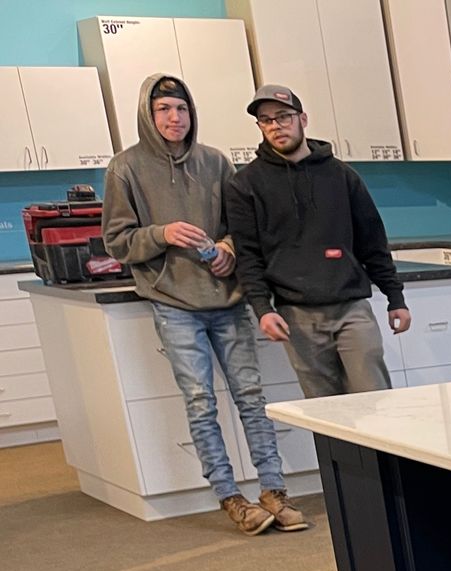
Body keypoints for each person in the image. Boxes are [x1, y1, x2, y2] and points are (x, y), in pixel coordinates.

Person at [101, 74, 301, 536]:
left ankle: (274, 490)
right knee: (199, 402)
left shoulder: (216, 163)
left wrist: (229, 248)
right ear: (148, 117)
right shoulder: (124, 169)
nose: (175, 118)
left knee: (252, 398)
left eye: (182, 109)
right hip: (173, 303)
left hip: (226, 300)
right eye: (164, 110)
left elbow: (240, 228)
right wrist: (161, 234)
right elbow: (116, 242)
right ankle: (231, 498)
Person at [224, 84, 412, 399]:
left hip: (351, 308)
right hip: (296, 316)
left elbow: (373, 243)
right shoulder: (245, 185)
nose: (276, 126)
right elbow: (248, 255)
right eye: (266, 120)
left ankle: (385, 453)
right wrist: (262, 309)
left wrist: (396, 298)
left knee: (377, 402)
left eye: (283, 116)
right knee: (325, 413)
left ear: (303, 119)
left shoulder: (342, 176)